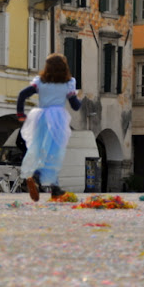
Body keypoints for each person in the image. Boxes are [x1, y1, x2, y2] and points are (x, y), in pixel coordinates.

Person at [17, 53, 82, 201]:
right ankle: (45, 181)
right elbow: (75, 106)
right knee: (54, 153)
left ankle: (54, 187)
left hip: (40, 117)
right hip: (57, 119)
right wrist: (80, 101)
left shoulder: (40, 82)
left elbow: (22, 95)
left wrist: (20, 113)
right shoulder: (68, 83)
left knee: (39, 149)